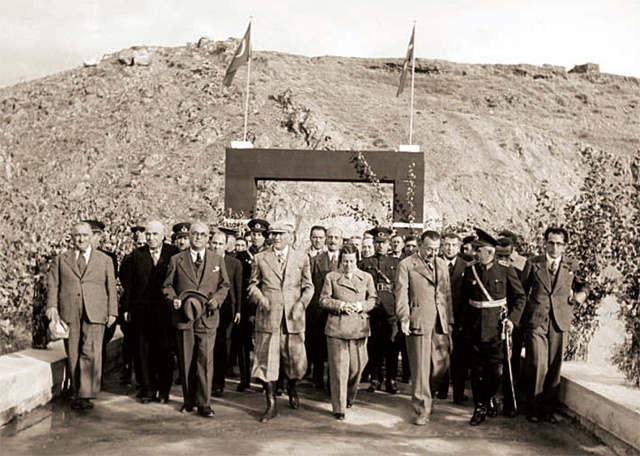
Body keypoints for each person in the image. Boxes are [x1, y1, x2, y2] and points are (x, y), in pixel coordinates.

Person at [45, 222, 118, 410]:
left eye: (85, 235)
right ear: (71, 237)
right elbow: (53, 285)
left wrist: (112, 311)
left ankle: (85, 394)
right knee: (73, 352)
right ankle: (78, 391)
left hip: (96, 311)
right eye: (77, 235)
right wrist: (52, 306)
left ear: (91, 237)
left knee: (91, 351)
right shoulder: (61, 259)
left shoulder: (104, 260)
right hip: (70, 311)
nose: (81, 239)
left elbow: (111, 287)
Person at [520, 226, 589, 424]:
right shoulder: (533, 263)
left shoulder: (571, 265)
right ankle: (533, 408)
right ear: (545, 243)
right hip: (536, 321)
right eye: (551, 243)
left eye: (559, 244)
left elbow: (584, 286)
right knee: (537, 364)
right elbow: (521, 291)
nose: (554, 247)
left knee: (554, 365)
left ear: (564, 246)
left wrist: (580, 296)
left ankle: (548, 410)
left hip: (560, 321)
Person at [248, 221, 314, 423]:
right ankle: (271, 403)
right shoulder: (260, 258)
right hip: (269, 317)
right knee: (267, 361)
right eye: (274, 234)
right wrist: (261, 299)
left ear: (290, 236)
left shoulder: (301, 258)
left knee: (295, 360)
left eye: (281, 234)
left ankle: (292, 387)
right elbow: (252, 286)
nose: (276, 237)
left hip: (293, 317)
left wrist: (301, 304)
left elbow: (309, 287)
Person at [162, 222, 230, 418]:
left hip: (208, 317)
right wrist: (173, 299)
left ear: (208, 237)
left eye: (203, 234)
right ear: (189, 236)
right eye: (195, 234)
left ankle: (204, 403)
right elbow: (167, 286)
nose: (198, 237)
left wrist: (217, 300)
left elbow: (224, 285)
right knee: (186, 360)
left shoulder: (217, 259)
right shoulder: (177, 259)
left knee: (205, 360)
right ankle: (188, 400)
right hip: (184, 316)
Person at [459, 228, 526, 426]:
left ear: (489, 251)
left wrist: (512, 320)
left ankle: (489, 396)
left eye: (478, 250)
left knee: (496, 371)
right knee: (477, 370)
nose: (474, 253)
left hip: (496, 330)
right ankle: (479, 406)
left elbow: (520, 297)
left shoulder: (505, 269)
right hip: (473, 328)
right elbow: (463, 299)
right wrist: (462, 325)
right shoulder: (470, 269)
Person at [395, 231, 453, 425]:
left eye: (436, 249)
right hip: (418, 320)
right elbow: (401, 294)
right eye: (429, 249)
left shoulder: (442, 264)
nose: (433, 253)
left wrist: (450, 321)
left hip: (440, 322)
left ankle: (428, 396)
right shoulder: (406, 265)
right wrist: (404, 317)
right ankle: (421, 408)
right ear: (420, 245)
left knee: (440, 365)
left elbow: (447, 295)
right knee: (420, 368)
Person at [121, 220, 179, 404]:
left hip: (165, 311)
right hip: (142, 311)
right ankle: (147, 389)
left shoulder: (174, 254)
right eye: (148, 234)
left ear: (163, 236)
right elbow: (129, 285)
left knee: (164, 351)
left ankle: (164, 390)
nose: (151, 238)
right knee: (143, 351)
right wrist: (126, 308)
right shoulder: (136, 256)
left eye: (155, 234)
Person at [319, 244, 378, 420]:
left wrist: (360, 306)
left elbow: (373, 299)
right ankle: (339, 407)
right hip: (337, 328)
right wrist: (341, 305)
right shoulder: (332, 277)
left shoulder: (366, 277)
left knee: (357, 367)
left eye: (351, 261)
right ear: (340, 261)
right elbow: (323, 300)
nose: (348, 265)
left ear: (357, 260)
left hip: (358, 327)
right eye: (345, 261)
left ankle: (349, 396)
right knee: (339, 369)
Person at [359, 227, 401, 394]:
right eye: (377, 242)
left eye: (384, 243)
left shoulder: (397, 263)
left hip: (391, 311)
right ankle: (375, 379)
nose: (380, 246)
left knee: (392, 345)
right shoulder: (365, 264)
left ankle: (391, 379)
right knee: (373, 346)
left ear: (389, 244)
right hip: (372, 311)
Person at [307, 226, 343, 389]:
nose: (333, 240)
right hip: (318, 310)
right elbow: (309, 285)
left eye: (336, 237)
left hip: (340, 309)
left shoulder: (347, 260)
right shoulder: (315, 260)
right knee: (318, 346)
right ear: (326, 240)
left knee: (337, 349)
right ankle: (318, 378)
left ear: (341, 241)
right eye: (330, 237)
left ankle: (334, 381)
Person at [495, 235, 526, 417]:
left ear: (513, 252)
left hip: (513, 323)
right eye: (499, 255)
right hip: (493, 322)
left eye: (507, 255)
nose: (503, 259)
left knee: (511, 363)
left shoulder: (522, 267)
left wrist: (513, 320)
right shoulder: (490, 267)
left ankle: (510, 403)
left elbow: (522, 297)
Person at [210, 230, 242, 396]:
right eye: (214, 243)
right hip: (207, 309)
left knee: (221, 346)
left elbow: (238, 288)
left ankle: (218, 382)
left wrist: (238, 310)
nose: (217, 247)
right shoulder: (205, 260)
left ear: (226, 246)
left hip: (226, 310)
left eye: (220, 244)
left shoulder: (234, 263)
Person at [438, 232, 469, 404]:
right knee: (440, 355)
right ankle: (441, 389)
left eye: (453, 245)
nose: (450, 248)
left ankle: (458, 393)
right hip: (439, 317)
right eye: (447, 245)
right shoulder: (435, 264)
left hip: (460, 318)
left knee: (459, 357)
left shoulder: (466, 266)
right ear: (442, 246)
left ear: (459, 247)